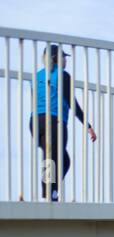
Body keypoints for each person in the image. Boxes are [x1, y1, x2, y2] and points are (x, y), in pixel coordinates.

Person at [29, 44, 96, 201]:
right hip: (54, 121)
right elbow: (73, 104)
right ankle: (49, 192)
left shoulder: (37, 76)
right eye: (64, 57)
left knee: (58, 158)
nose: (66, 60)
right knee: (55, 158)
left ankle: (50, 191)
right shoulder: (63, 76)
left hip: (35, 123)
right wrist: (88, 126)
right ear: (56, 59)